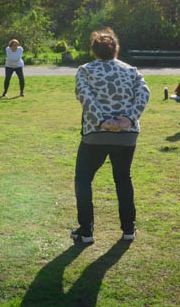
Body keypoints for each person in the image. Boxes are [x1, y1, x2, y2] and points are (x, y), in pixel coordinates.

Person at [71, 28, 150, 244]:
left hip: (95, 135)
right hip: (127, 135)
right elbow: (145, 92)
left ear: (93, 51)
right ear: (116, 49)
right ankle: (128, 230)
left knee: (83, 180)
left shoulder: (85, 70)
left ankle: (86, 231)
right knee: (123, 180)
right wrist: (129, 119)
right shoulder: (131, 70)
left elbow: (84, 96)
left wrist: (101, 121)